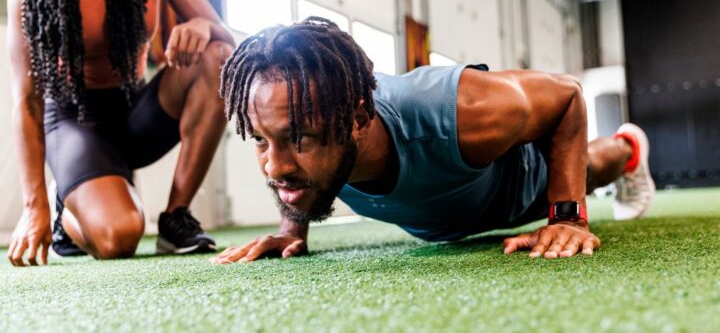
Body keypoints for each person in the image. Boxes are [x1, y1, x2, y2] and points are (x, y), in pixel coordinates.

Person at [210, 18, 655, 264]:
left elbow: (567, 96)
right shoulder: (308, 145)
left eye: (298, 138)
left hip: (521, 184)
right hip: (446, 217)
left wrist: (567, 217)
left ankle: (630, 149)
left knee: (594, 165)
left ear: (358, 119)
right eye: (261, 141)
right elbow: (286, 156)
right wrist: (291, 230)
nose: (273, 165)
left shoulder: (463, 112)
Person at [7, 0, 235, 266]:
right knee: (119, 238)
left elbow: (227, 39)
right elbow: (26, 101)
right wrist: (33, 203)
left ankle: (176, 217)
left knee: (217, 56)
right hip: (76, 121)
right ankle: (68, 208)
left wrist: (203, 27)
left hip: (134, 111)